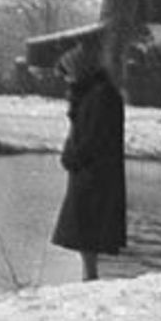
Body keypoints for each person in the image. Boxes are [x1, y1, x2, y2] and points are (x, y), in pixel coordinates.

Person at [50, 33, 127, 280]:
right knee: (85, 232)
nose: (67, 80)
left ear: (80, 70)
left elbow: (91, 137)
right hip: (92, 172)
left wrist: (72, 157)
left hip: (94, 174)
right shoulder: (94, 93)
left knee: (87, 230)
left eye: (69, 74)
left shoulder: (100, 96)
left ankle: (89, 277)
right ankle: (88, 275)